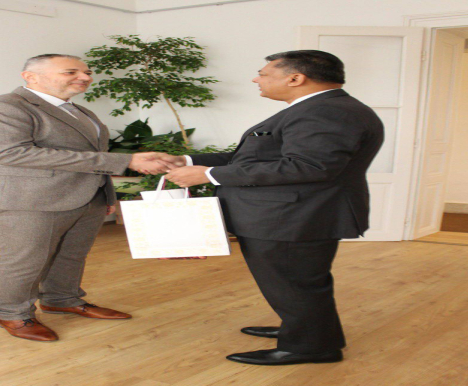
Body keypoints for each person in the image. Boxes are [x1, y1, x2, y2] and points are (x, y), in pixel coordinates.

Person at [164, 50, 384, 365]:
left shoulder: (325, 112)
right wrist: (185, 160)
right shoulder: (320, 108)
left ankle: (309, 347)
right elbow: (256, 159)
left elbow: (309, 166)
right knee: (295, 283)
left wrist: (209, 175)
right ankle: (304, 330)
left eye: (264, 73)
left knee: (294, 284)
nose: (256, 79)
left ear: (295, 78)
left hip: (294, 217)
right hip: (289, 214)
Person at [0, 54, 172, 342]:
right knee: (25, 261)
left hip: (85, 197)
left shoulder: (79, 111)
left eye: (87, 72)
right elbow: (10, 153)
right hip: (25, 199)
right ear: (30, 77)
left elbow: (91, 156)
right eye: (71, 72)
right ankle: (11, 314)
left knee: (72, 254)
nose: (85, 77)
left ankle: (62, 299)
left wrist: (105, 194)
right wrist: (125, 161)